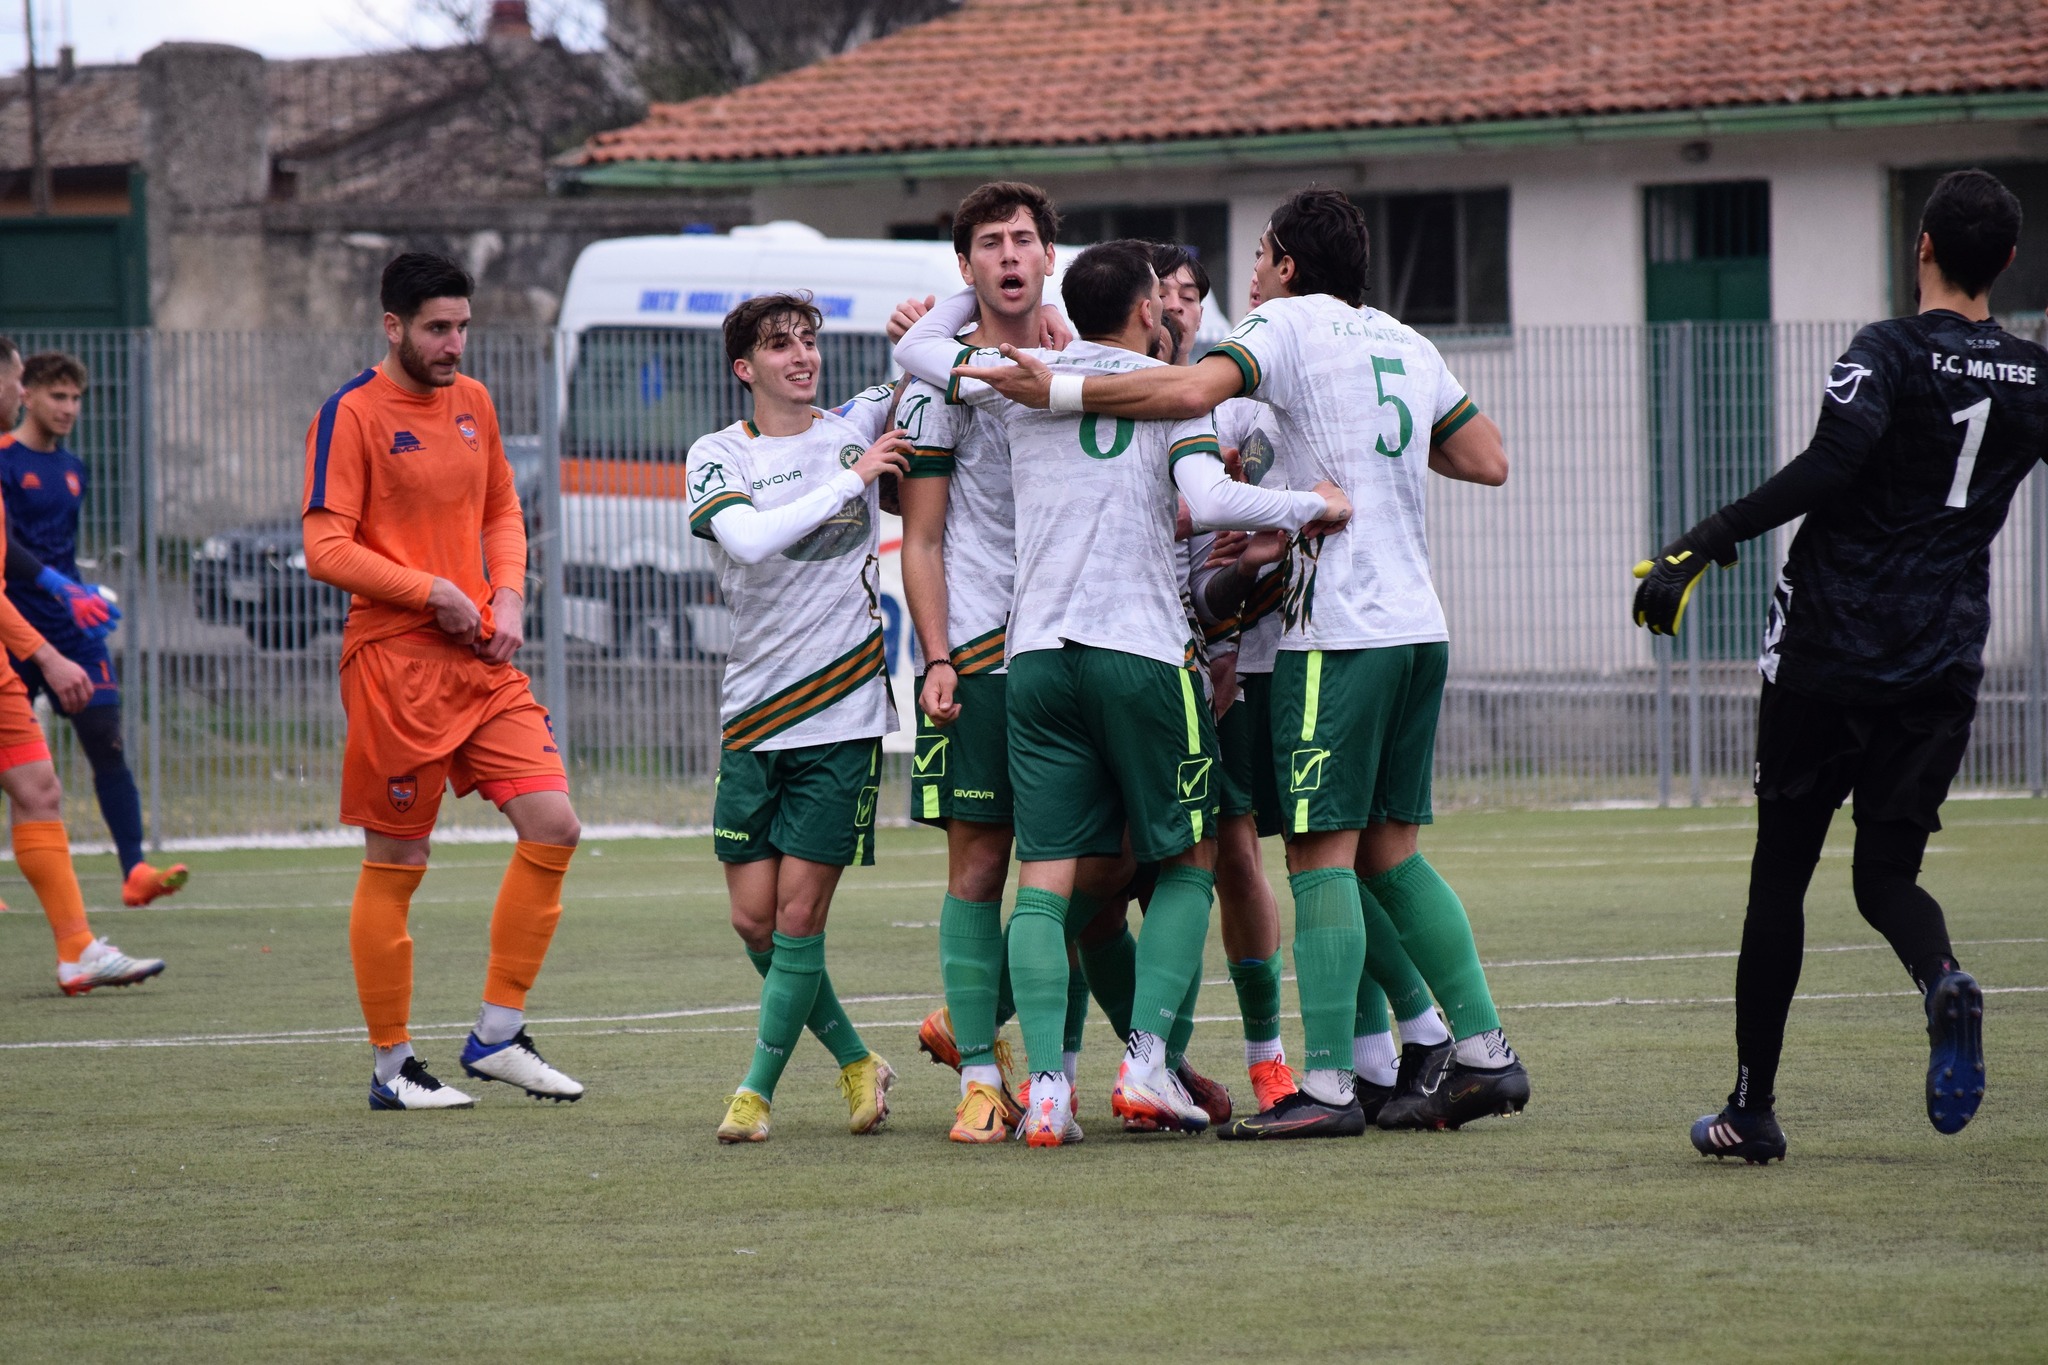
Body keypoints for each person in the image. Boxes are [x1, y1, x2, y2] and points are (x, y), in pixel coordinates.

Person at [954, 188, 1526, 1139]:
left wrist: (1053, 387)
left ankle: (1334, 1083)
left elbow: (1186, 395)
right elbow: (1485, 458)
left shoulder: (1280, 325)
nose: (1244, 276)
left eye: (1259, 254)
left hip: (1331, 627)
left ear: (1289, 265)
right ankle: (1479, 1050)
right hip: (1417, 621)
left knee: (1316, 854)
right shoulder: (1404, 340)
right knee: (1390, 849)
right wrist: (1368, 465)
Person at [1631, 169, 2040, 1163]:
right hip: (1941, 657)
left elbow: (1828, 464)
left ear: (1920, 245)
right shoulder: (2033, 377)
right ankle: (1938, 974)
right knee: (1884, 875)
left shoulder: (1884, 352)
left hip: (1825, 649)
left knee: (1780, 877)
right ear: (2008, 263)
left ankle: (1750, 1108)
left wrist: (1701, 541)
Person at [906, 239, 1350, 1146]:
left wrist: (943, 312)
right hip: (1143, 650)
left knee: (1045, 878)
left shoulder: (1025, 377)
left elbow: (922, 356)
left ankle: (1046, 1093)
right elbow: (1213, 497)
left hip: (1034, 658)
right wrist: (1313, 504)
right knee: (1191, 858)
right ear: (1149, 310)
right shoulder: (1165, 390)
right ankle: (1146, 1064)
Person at [303, 252, 584, 1112]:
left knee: (555, 824)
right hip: (393, 662)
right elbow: (325, 547)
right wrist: (435, 591)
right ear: (393, 326)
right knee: (398, 858)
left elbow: (504, 508)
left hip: (482, 664)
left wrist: (506, 595)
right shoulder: (350, 414)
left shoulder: (476, 404)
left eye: (462, 325)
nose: (454, 342)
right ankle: (392, 1068)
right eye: (436, 328)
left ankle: (497, 1035)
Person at [686, 292, 912, 1144]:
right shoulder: (717, 455)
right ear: (746, 367)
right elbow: (746, 540)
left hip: (841, 714)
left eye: (810, 341)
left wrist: (928, 315)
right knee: (753, 919)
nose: (802, 355)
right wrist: (851, 480)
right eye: (781, 345)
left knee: (796, 919)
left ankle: (755, 1093)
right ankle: (858, 1058)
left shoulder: (854, 423)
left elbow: (938, 353)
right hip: (752, 716)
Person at [0, 338, 164, 995]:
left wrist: (77, 597)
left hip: (47, 635)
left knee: (42, 785)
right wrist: (43, 647)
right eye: (19, 382)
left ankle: (80, 947)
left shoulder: (73, 468)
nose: (21, 393)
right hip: (27, 634)